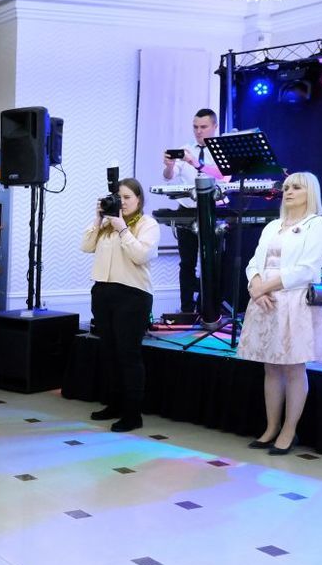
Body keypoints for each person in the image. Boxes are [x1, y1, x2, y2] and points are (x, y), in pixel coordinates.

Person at [237, 173, 322, 455]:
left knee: (293, 367)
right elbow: (254, 262)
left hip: (294, 301)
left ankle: (289, 430)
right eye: (287, 187)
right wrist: (256, 287)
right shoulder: (272, 226)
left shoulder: (316, 224)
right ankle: (271, 427)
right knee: (270, 366)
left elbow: (307, 268)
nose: (288, 191)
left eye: (296, 187)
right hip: (265, 301)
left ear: (310, 192)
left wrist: (263, 287)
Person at [81, 178, 160, 432]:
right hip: (103, 292)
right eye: (119, 197)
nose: (122, 202)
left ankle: (133, 414)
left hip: (133, 295)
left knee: (128, 354)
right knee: (109, 352)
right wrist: (98, 219)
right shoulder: (106, 224)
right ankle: (114, 404)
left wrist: (123, 229)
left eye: (127, 197)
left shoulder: (147, 224)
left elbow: (141, 255)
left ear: (139, 199)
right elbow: (86, 246)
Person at [161, 108, 226, 314]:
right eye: (195, 127)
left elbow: (224, 176)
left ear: (214, 126)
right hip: (187, 210)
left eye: (203, 127)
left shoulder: (222, 149)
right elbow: (168, 177)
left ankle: (212, 308)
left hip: (215, 211)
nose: (198, 131)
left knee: (214, 262)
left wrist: (196, 163)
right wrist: (169, 166)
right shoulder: (186, 149)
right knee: (187, 262)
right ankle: (187, 309)